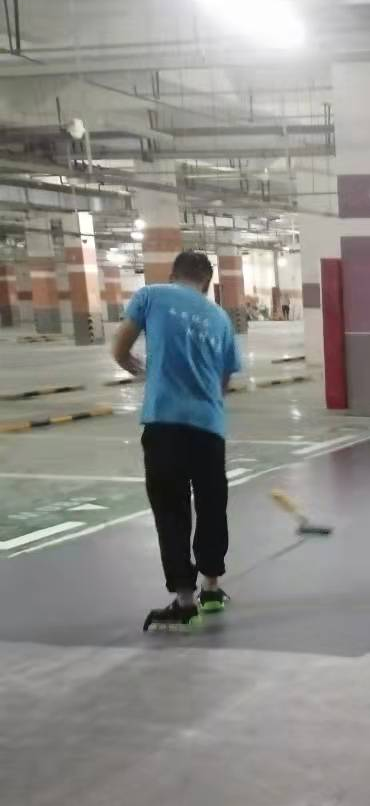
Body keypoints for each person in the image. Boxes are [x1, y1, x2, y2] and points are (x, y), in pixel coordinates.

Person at [112, 250, 242, 631]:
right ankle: (212, 589)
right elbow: (224, 381)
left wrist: (139, 369)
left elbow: (119, 349)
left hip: (164, 422)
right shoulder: (220, 317)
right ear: (207, 283)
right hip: (208, 427)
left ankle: (185, 602)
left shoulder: (151, 295)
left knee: (171, 510)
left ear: (172, 274)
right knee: (212, 505)